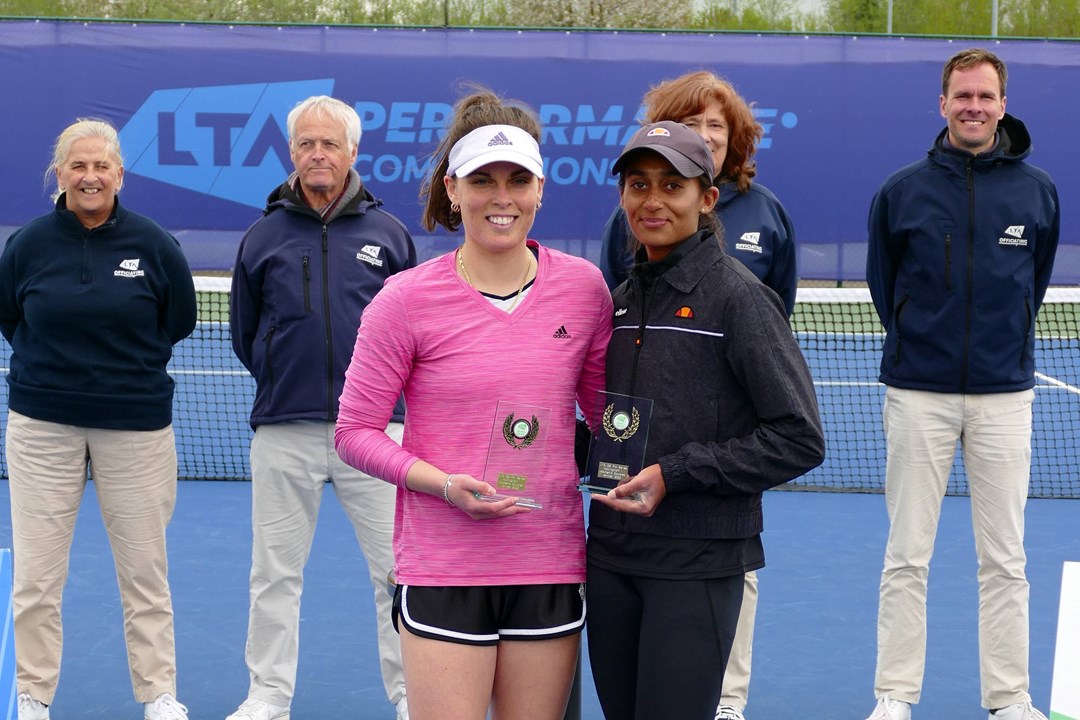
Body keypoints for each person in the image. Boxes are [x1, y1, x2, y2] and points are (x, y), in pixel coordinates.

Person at [333, 88, 612, 720]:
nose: (501, 198)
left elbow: (605, 420)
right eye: (482, 180)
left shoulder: (584, 289)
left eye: (518, 179)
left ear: (541, 189)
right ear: (453, 190)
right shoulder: (404, 300)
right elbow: (355, 431)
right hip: (442, 565)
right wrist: (441, 484)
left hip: (547, 560)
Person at [585, 120, 824, 720]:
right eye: (639, 185)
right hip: (612, 555)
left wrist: (677, 472)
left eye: (673, 185)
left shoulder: (740, 299)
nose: (653, 200)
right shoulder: (616, 300)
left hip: (697, 561)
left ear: (707, 198)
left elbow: (799, 437)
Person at [864, 48, 1059, 720]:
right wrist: (925, 345)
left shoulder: (1037, 192)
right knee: (906, 556)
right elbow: (885, 289)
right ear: (942, 104)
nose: (973, 107)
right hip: (918, 394)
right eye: (962, 96)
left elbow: (1030, 289)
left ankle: (1009, 700)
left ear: (1003, 105)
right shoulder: (901, 192)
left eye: (985, 96)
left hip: (1007, 397)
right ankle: (894, 697)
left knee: (1005, 559)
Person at [0, 119, 196, 720]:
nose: (90, 177)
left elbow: (179, 320)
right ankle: (33, 694)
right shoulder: (28, 244)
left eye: (101, 166)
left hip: (136, 427)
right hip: (41, 427)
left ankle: (158, 693)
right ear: (59, 173)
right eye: (77, 166)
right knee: (36, 577)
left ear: (118, 172)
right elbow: (12, 318)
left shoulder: (155, 243)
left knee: (144, 573)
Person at [227, 95, 415, 720]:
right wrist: (290, 382)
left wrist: (374, 403)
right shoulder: (262, 236)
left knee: (397, 574)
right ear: (292, 153)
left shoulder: (389, 236)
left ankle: (413, 694)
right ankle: (267, 697)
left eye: (329, 144)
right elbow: (245, 332)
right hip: (285, 431)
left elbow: (412, 335)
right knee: (273, 575)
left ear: (352, 154)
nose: (317, 154)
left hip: (377, 435)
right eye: (306, 144)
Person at [599, 71, 797, 321]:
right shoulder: (632, 215)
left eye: (715, 125)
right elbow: (611, 303)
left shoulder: (766, 210)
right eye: (690, 124)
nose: (703, 135)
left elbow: (778, 310)